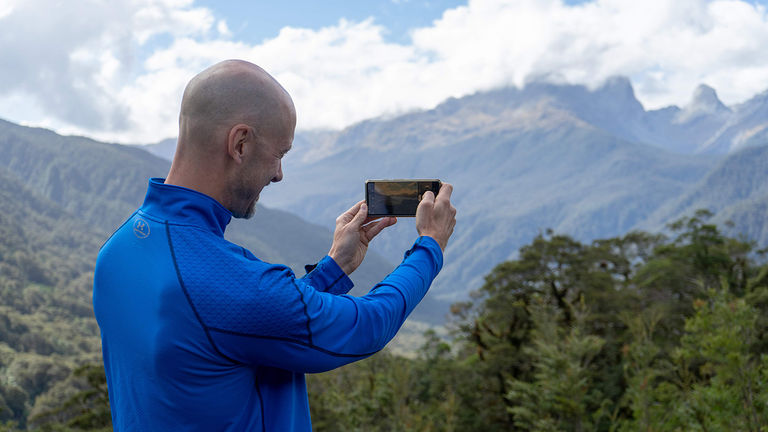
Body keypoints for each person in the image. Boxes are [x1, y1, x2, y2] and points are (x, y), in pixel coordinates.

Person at [93, 59, 456, 431]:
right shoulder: (222, 283)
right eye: (279, 154)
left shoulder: (117, 250)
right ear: (240, 143)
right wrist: (430, 246)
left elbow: (244, 322)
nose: (279, 174)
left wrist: (335, 267)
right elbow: (366, 326)